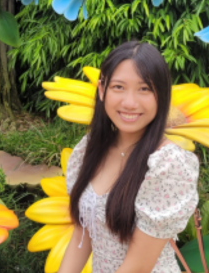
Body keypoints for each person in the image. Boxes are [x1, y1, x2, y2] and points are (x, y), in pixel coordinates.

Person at [58, 40, 199, 273]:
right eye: (119, 87)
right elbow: (81, 235)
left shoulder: (167, 166)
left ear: (162, 95)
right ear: (102, 90)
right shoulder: (90, 149)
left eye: (144, 89)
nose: (130, 103)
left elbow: (138, 267)